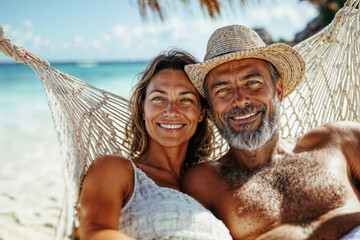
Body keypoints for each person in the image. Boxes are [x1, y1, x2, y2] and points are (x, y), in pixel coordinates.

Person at [182, 24, 360, 240]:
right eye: (223, 90)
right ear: (210, 108)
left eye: (252, 82)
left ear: (278, 90)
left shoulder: (339, 140)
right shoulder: (205, 182)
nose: (239, 100)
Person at [78, 50, 232, 240]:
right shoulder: (115, 170)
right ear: (143, 109)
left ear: (201, 113)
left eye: (185, 100)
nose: (171, 111)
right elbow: (94, 233)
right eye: (159, 98)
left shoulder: (209, 186)